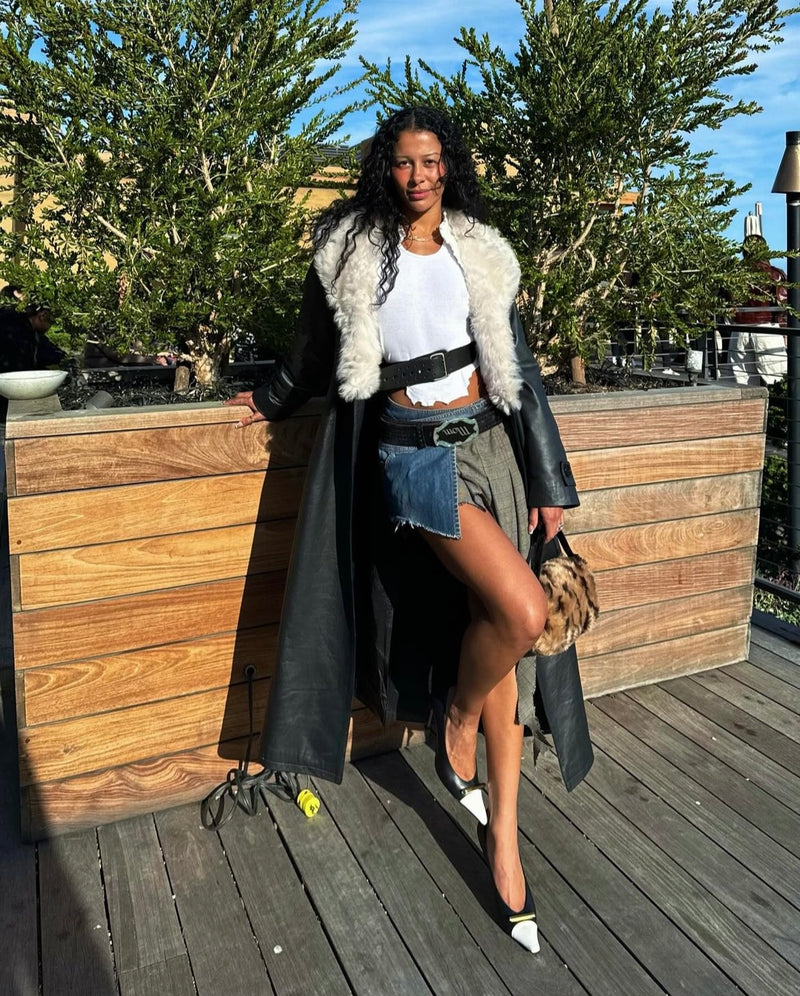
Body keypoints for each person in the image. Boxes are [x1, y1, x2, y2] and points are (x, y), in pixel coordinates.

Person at [226, 106, 593, 954]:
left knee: (503, 640)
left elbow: (518, 367)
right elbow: (312, 351)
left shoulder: (478, 249)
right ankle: (455, 722)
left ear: (447, 166)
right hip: (415, 456)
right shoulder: (350, 251)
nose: (418, 176)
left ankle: (505, 843)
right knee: (523, 613)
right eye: (403, 162)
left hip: (491, 444)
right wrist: (271, 398)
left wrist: (549, 482)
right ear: (384, 169)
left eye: (431, 161)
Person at [728, 234, 788, 386]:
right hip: (767, 330)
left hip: (739, 330)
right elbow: (783, 306)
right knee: (777, 380)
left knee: (741, 385)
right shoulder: (775, 275)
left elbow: (727, 303)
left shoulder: (734, 274)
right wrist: (784, 330)